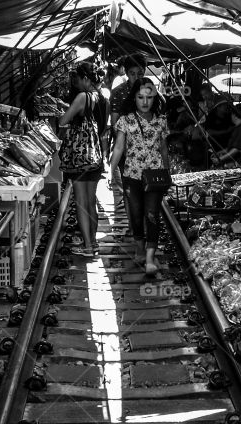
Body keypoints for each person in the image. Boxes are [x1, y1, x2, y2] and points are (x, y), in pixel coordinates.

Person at [109, 77, 170, 275]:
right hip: (131, 174)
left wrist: (167, 173)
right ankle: (140, 249)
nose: (145, 102)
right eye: (140, 97)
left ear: (155, 98)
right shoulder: (125, 121)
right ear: (134, 98)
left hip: (154, 176)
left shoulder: (161, 120)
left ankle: (150, 257)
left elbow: (163, 149)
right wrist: (111, 172)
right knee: (136, 214)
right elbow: (118, 148)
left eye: (149, 97)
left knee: (152, 214)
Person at [59, 62, 108, 256]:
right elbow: (104, 129)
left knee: (80, 202)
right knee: (90, 201)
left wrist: (68, 113)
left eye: (78, 79)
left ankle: (87, 246)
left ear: (86, 79)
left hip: (80, 157)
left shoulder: (82, 97)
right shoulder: (104, 98)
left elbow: (63, 121)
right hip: (95, 157)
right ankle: (93, 242)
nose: (76, 83)